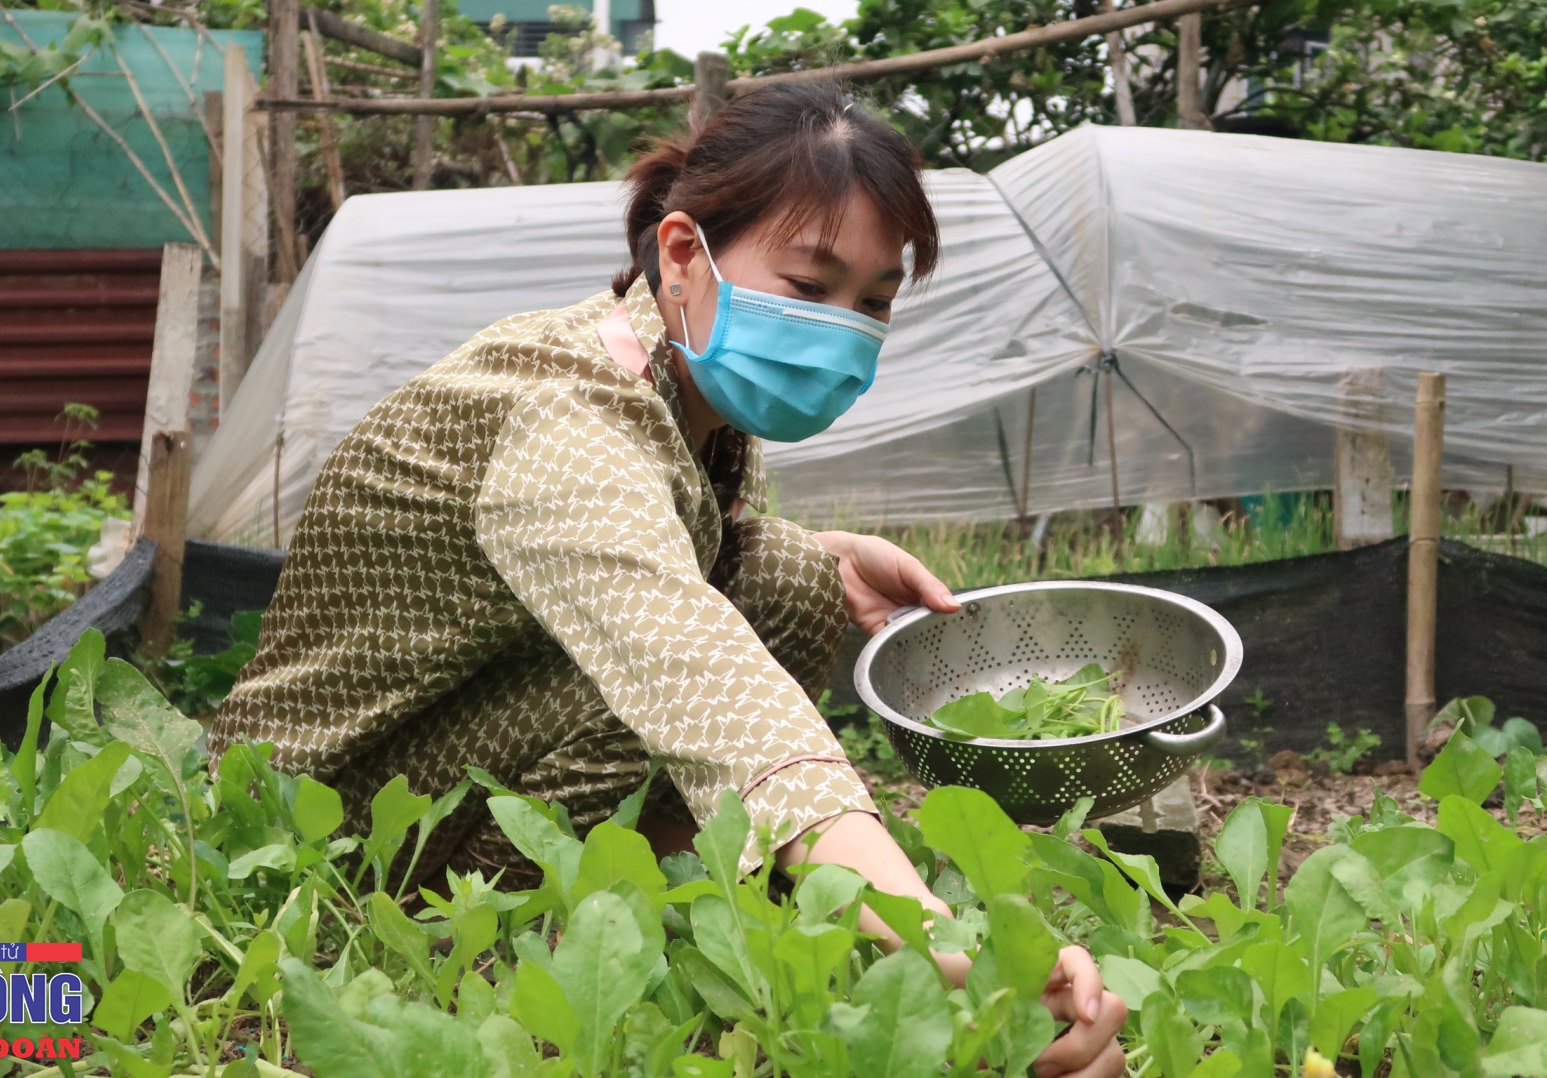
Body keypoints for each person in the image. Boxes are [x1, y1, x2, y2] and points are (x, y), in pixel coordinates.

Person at [210, 82, 1127, 1076]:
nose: (843, 329)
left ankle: (680, 880)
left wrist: (820, 554)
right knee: (676, 656)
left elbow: (660, 548)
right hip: (329, 821)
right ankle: (506, 927)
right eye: (811, 287)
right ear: (684, 252)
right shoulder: (562, 405)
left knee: (780, 575)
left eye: (873, 302)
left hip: (453, 747)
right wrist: (950, 940)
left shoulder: (692, 394)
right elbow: (686, 662)